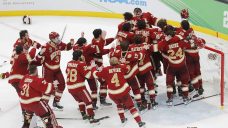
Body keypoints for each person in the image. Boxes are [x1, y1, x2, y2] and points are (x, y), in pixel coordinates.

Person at [92, 57, 146, 127]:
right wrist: (123, 62)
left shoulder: (105, 69)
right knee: (131, 107)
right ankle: (139, 122)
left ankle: (122, 118)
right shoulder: (121, 66)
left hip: (113, 94)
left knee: (119, 105)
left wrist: (93, 67)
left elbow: (95, 74)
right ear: (117, 62)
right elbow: (127, 69)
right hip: (123, 92)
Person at [35, 31, 73, 110]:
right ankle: (43, 107)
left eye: (58, 37)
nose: (58, 39)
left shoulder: (59, 44)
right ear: (52, 39)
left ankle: (56, 101)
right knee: (47, 88)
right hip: (48, 70)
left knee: (62, 84)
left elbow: (67, 48)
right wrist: (40, 54)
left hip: (57, 69)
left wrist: (70, 44)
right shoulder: (45, 47)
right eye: (56, 38)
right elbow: (38, 61)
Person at [158, 25, 193, 106]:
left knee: (169, 82)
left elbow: (159, 48)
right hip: (182, 65)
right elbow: (189, 45)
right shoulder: (180, 41)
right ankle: (185, 97)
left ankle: (170, 98)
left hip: (171, 66)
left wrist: (165, 41)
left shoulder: (166, 44)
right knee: (184, 81)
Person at [66, 50, 100, 124]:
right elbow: (89, 76)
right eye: (81, 55)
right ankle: (91, 117)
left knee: (80, 100)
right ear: (79, 57)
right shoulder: (81, 64)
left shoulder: (69, 63)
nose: (83, 56)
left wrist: (88, 67)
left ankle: (83, 114)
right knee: (88, 101)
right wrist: (93, 68)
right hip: (79, 87)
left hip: (70, 87)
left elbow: (67, 72)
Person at [110, 41, 145, 111]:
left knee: (125, 91)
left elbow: (111, 55)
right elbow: (140, 56)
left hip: (122, 76)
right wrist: (143, 49)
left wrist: (112, 48)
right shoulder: (131, 54)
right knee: (136, 89)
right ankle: (139, 104)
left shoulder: (117, 52)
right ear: (128, 47)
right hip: (131, 75)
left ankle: (124, 105)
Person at [129, 35, 158, 109]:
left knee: (141, 86)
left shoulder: (130, 47)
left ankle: (142, 99)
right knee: (150, 85)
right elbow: (155, 49)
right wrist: (155, 41)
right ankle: (153, 100)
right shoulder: (145, 45)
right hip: (146, 69)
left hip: (137, 70)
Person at [91, 29, 114, 106]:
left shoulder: (94, 40)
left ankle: (99, 98)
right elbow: (100, 51)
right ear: (100, 35)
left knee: (100, 82)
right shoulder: (98, 42)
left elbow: (105, 42)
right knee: (104, 81)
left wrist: (113, 38)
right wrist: (110, 50)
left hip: (96, 65)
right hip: (97, 66)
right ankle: (102, 99)